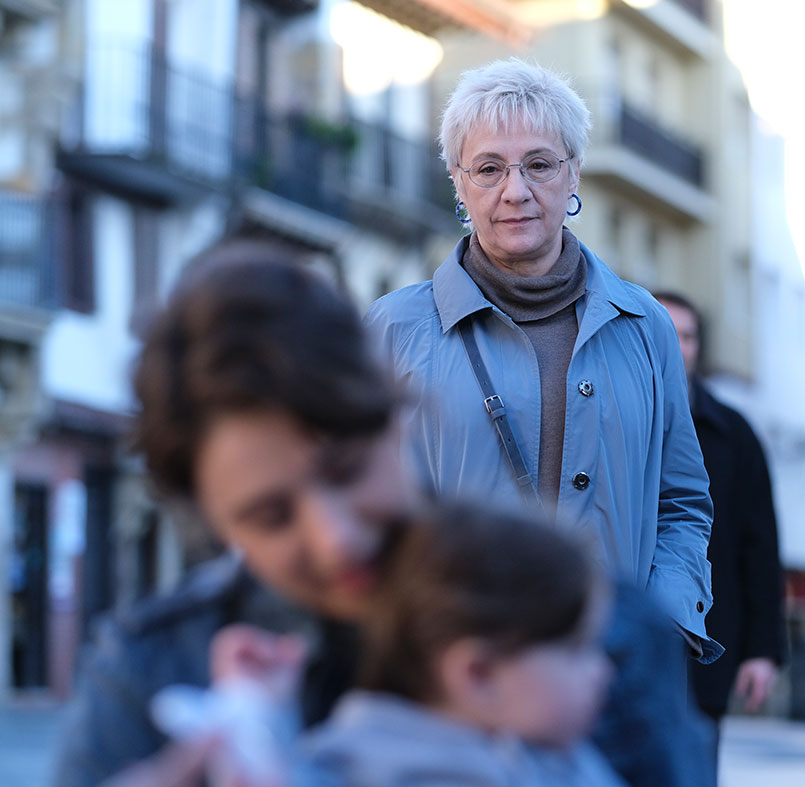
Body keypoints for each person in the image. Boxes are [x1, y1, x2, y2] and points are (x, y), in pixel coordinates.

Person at [52, 244, 710, 787]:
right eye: (271, 516)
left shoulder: (594, 625)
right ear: (215, 524)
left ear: (399, 420)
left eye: (345, 470)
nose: (335, 538)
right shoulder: (157, 670)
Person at [365, 58, 719, 665]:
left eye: (539, 164)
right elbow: (361, 503)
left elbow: (681, 501)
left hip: (613, 670)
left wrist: (660, 622)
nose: (516, 190)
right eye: (489, 169)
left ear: (574, 172)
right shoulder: (395, 329)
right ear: (458, 182)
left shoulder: (644, 326)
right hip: (452, 674)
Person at [211, 504, 623, 786]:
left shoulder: (556, 754)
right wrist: (257, 718)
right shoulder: (363, 772)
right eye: (576, 649)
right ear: (478, 674)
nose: (602, 670)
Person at [654, 292, 786, 758]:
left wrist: (763, 650)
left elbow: (761, 547)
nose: (674, 343)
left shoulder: (735, 434)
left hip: (707, 642)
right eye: (663, 328)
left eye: (686, 334)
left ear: (698, 347)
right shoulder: (603, 415)